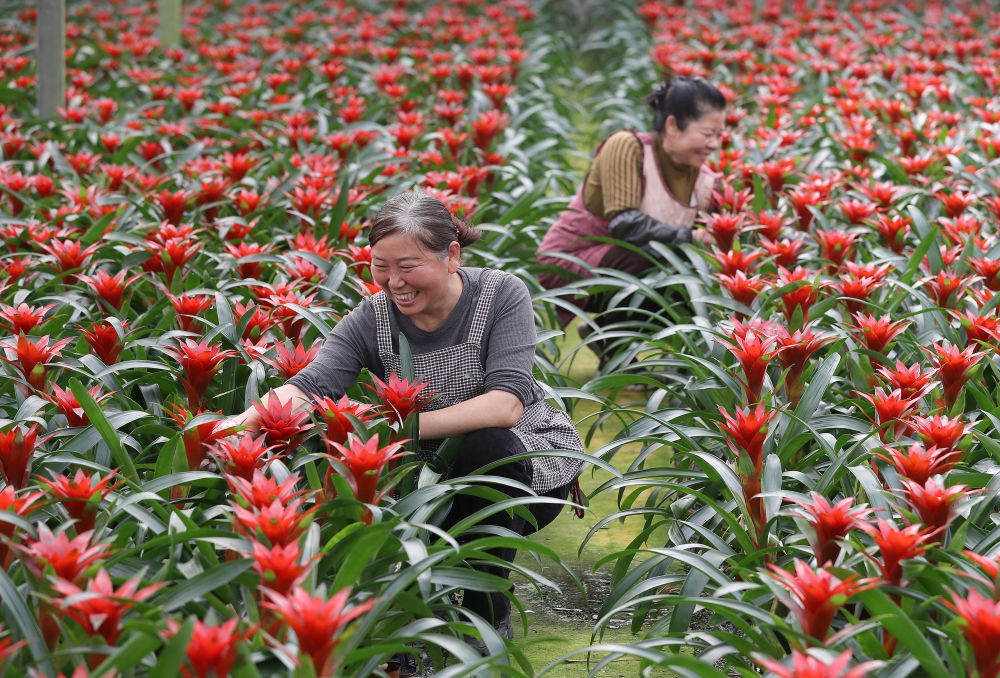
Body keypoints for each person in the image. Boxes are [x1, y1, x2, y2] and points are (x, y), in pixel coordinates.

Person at [231, 190, 584, 651]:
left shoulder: (501, 293)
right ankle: (419, 605)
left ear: (452, 254)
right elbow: (312, 384)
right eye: (381, 266)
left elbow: (506, 404)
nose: (394, 281)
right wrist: (242, 422)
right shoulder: (373, 317)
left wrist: (397, 430)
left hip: (522, 475)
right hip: (420, 479)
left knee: (486, 443)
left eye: (408, 265)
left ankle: (486, 604)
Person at [536, 75, 726, 356]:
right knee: (663, 256)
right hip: (574, 260)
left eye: (720, 136)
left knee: (699, 270)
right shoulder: (628, 147)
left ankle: (618, 336)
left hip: (633, 265)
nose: (714, 145)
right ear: (672, 126)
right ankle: (614, 346)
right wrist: (692, 236)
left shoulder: (707, 180)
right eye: (708, 134)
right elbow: (625, 224)